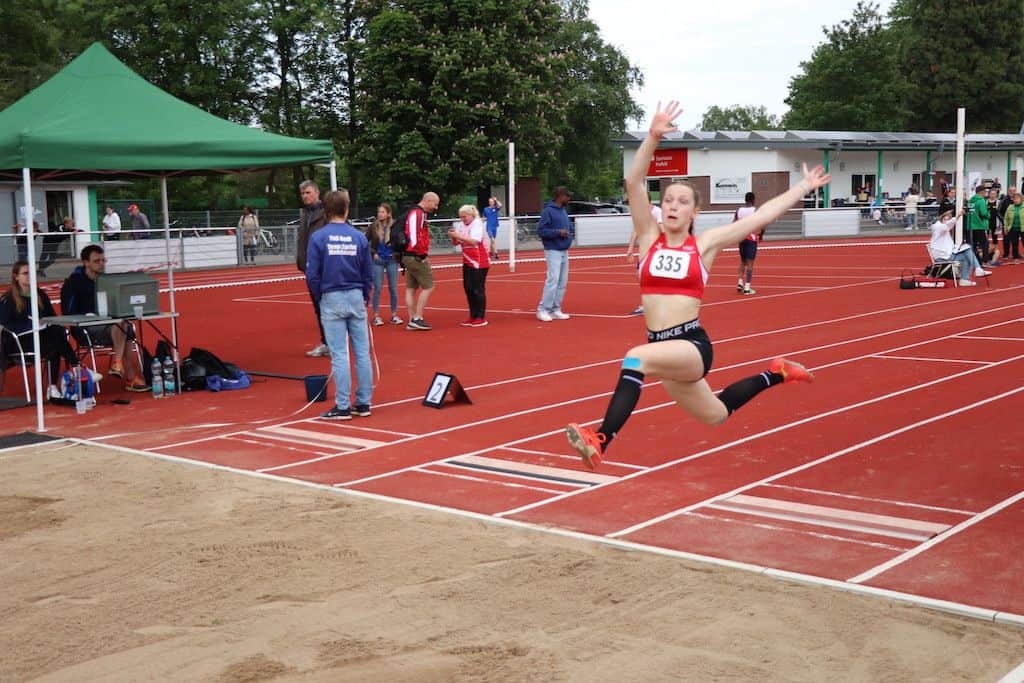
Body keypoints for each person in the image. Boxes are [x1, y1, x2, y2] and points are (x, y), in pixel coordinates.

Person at [565, 101, 826, 470]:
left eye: (682, 201)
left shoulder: (704, 245)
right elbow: (633, 182)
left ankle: (601, 439)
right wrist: (652, 137)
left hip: (690, 346)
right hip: (662, 348)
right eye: (668, 199)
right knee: (716, 414)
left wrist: (802, 186)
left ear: (694, 212)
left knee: (635, 359)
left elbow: (760, 217)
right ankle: (778, 373)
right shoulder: (648, 238)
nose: (673, 206)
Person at [305, 189, 373, 420]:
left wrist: (320, 295)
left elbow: (312, 274)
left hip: (331, 296)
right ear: (346, 209)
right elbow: (367, 272)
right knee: (362, 353)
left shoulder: (318, 237)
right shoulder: (359, 236)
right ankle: (363, 402)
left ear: (325, 210)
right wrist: (365, 295)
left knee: (339, 354)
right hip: (355, 295)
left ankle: (342, 405)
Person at [60, 244, 148, 391]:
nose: (101, 264)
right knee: (124, 328)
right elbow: (67, 312)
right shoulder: (73, 283)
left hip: (111, 325)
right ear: (86, 262)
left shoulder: (107, 281)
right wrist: (88, 317)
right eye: (97, 261)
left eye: (103, 260)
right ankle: (129, 375)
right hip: (85, 328)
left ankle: (119, 365)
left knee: (124, 324)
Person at [0, 261, 80, 397]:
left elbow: (52, 318)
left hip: (42, 339)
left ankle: (53, 386)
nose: (30, 276)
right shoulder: (8, 300)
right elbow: (3, 326)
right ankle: (77, 368)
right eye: (25, 273)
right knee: (56, 338)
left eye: (32, 273)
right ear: (16, 276)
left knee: (56, 334)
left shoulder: (40, 294)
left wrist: (44, 323)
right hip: (19, 344)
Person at [295, 180, 329, 356]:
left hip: (325, 268)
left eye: (308, 192)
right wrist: (301, 262)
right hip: (310, 269)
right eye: (302, 193)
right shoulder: (305, 214)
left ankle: (332, 342)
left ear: (317, 193)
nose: (305, 196)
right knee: (318, 308)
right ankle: (326, 342)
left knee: (327, 307)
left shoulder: (326, 213)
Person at [401, 192, 440, 331]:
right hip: (415, 255)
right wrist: (421, 254)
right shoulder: (418, 213)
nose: (435, 207)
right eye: (435, 204)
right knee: (429, 286)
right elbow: (414, 235)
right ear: (428, 200)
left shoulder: (413, 212)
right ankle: (417, 317)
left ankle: (412, 319)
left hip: (409, 255)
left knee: (411, 288)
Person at [448, 204, 490, 327]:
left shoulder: (477, 224)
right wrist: (453, 237)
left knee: (477, 289)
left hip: (479, 260)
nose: (463, 219)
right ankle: (473, 315)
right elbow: (457, 242)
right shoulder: (461, 225)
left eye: (464, 217)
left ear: (471, 215)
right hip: (467, 260)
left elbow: (474, 240)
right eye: (461, 217)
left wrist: (457, 236)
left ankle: (480, 317)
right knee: (468, 288)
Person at [536, 186, 574, 322]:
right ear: (561, 196)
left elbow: (569, 227)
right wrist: (558, 233)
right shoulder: (548, 211)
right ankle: (543, 309)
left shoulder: (563, 211)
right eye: (567, 196)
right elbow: (541, 231)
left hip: (564, 250)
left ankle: (555, 308)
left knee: (562, 282)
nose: (569, 199)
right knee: (553, 280)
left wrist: (569, 235)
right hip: (553, 250)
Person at [928, 209, 989, 286]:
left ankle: (967, 277)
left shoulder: (944, 229)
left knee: (967, 252)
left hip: (947, 255)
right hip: (942, 257)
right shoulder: (937, 227)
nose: (947, 221)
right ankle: (976, 270)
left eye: (948, 219)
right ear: (941, 218)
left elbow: (949, 226)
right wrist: (958, 216)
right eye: (945, 219)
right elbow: (947, 225)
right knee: (967, 250)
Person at [365, 203, 403, 326]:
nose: (380, 214)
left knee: (393, 288)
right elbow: (365, 242)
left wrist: (397, 253)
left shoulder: (395, 226)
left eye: (382, 212)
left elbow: (400, 241)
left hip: (392, 260)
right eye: (379, 212)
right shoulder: (373, 226)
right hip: (378, 261)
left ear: (388, 213)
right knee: (377, 288)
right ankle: (376, 316)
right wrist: (373, 253)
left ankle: (394, 315)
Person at [626, 194, 663, 315]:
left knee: (650, 276)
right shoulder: (640, 214)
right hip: (645, 249)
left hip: (656, 249)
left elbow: (663, 230)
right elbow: (636, 230)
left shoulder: (658, 212)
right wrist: (630, 248)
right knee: (640, 276)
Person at [734, 192, 760, 295]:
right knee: (750, 264)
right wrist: (762, 234)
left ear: (745, 200)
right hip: (751, 238)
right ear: (753, 200)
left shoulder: (739, 210)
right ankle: (747, 287)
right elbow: (762, 223)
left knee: (742, 261)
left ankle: (740, 282)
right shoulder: (755, 210)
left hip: (742, 238)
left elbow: (734, 223)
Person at [967, 185, 998, 267]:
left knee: (973, 244)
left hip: (970, 226)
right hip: (979, 225)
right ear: (982, 192)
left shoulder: (970, 200)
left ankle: (976, 262)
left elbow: (969, 212)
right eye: (985, 192)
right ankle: (985, 261)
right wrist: (989, 215)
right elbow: (984, 213)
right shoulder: (981, 201)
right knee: (984, 244)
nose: (986, 193)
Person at [1002, 191, 1023, 263]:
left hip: (1023, 228)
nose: (1016, 200)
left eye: (1018, 198)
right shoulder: (1010, 207)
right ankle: (1015, 257)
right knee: (1014, 243)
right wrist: (1005, 228)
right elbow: (1006, 218)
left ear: (1021, 199)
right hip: (1013, 228)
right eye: (1015, 198)